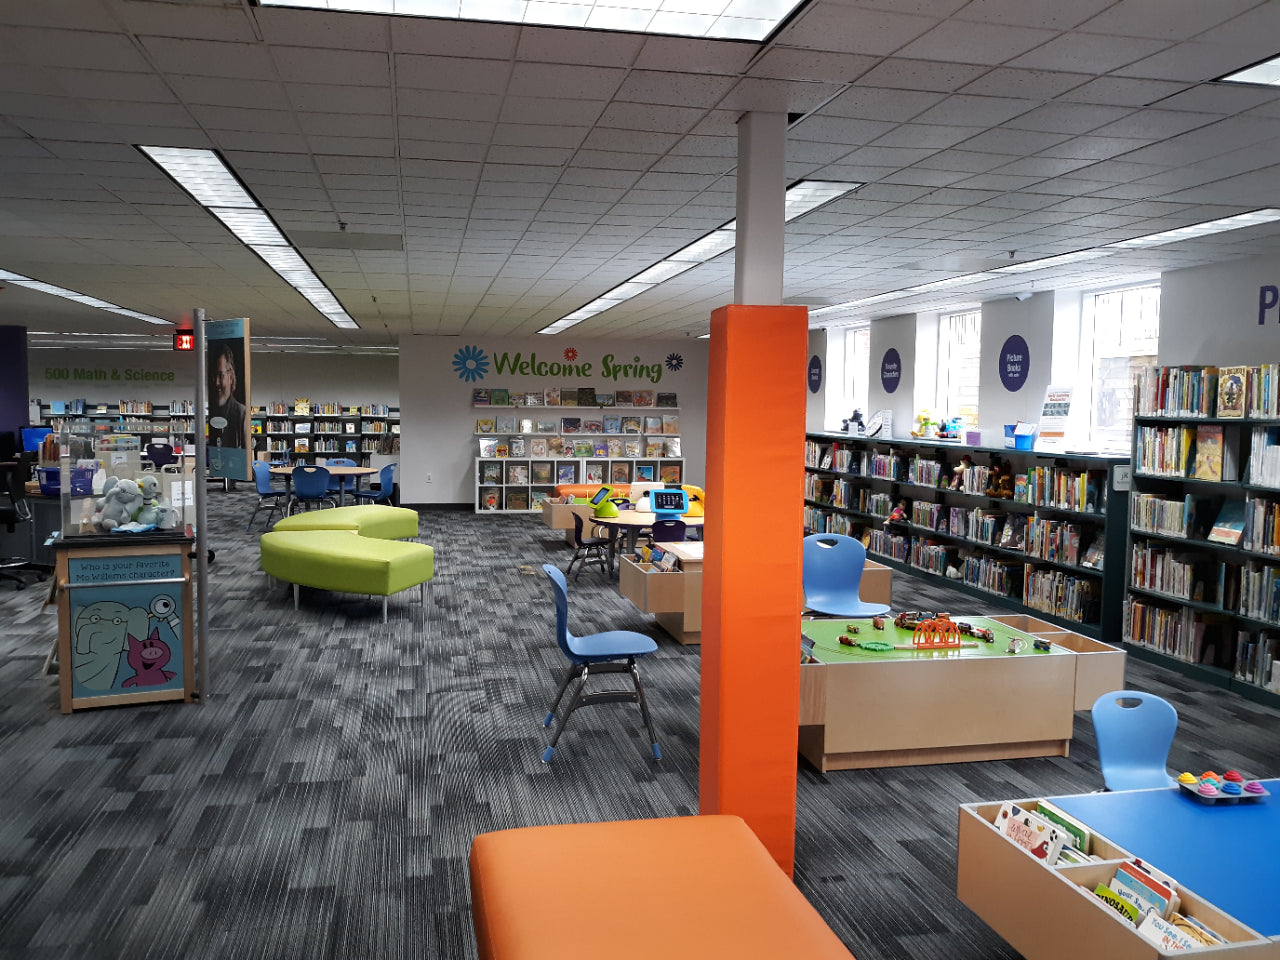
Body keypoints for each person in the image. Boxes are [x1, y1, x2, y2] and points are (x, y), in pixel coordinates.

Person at [208, 342, 246, 449]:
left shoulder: (242, 414)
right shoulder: (211, 413)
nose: (216, 382)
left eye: (220, 375)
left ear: (231, 376)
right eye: (213, 375)